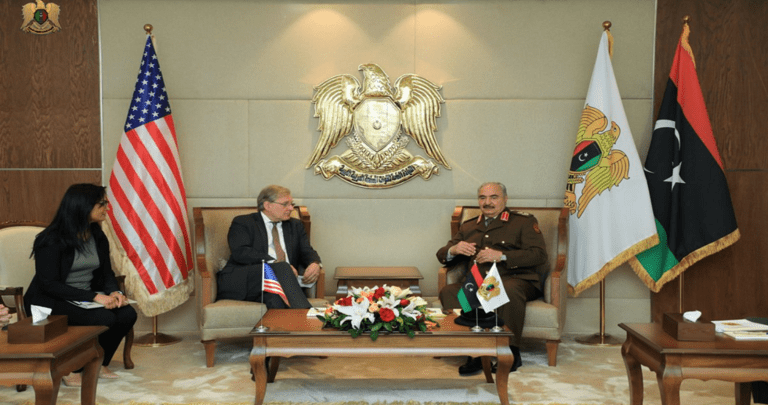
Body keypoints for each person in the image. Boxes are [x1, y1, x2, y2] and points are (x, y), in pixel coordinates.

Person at [24, 183, 137, 387]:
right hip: (50, 300)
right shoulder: (50, 239)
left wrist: (115, 292)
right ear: (82, 206)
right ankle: (70, 367)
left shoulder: (97, 235)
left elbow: (106, 272)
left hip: (85, 298)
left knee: (127, 313)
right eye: (102, 203)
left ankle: (99, 362)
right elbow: (49, 284)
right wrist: (95, 297)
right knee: (104, 317)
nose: (107, 208)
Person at [437, 182, 548, 376]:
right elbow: (442, 254)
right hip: (480, 282)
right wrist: (453, 250)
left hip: (517, 279)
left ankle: (510, 351)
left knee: (505, 289)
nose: (487, 202)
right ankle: (475, 352)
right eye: (483, 198)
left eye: (494, 197)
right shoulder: (469, 225)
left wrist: (502, 256)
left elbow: (539, 255)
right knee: (451, 292)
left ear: (505, 199)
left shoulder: (523, 222)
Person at [216, 185, 322, 309]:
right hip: (246, 281)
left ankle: (290, 321)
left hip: (277, 287)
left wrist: (315, 263)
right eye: (285, 204)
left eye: (292, 204)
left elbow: (306, 250)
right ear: (267, 205)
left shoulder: (295, 225)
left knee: (275, 300)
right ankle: (306, 314)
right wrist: (276, 263)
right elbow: (241, 252)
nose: (291, 208)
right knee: (282, 267)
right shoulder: (243, 222)